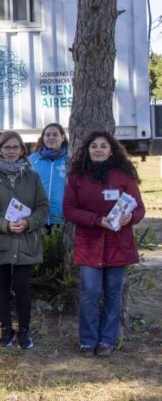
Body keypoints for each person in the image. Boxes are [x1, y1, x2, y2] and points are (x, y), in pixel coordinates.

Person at [63, 131, 145, 357]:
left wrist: (131, 218)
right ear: (87, 150)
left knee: (113, 293)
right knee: (89, 292)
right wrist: (97, 220)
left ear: (111, 150)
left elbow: (139, 208)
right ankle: (88, 341)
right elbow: (69, 210)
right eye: (94, 146)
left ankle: (107, 341)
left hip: (118, 243)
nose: (98, 149)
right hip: (89, 243)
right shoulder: (78, 176)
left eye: (103, 146)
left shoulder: (123, 175)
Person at [0, 131, 49, 350]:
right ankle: (6, 330)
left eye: (15, 147)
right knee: (2, 288)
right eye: (7, 147)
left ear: (22, 151)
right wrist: (3, 224)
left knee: (23, 287)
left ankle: (24, 331)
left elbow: (43, 207)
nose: (11, 152)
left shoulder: (32, 177)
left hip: (26, 242)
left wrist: (29, 222)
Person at [29, 123, 69, 227]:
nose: (51, 137)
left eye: (55, 134)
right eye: (47, 135)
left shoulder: (70, 160)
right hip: (37, 217)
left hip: (62, 219)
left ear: (63, 137)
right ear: (43, 138)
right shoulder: (32, 160)